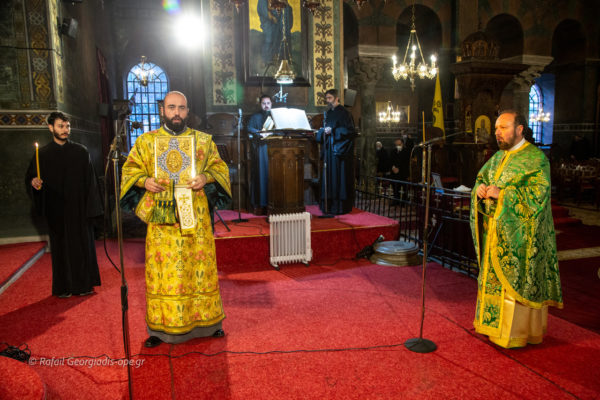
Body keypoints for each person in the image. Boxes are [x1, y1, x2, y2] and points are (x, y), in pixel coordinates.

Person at [120, 91, 232, 348]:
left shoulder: (203, 141)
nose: (177, 113)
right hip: (163, 223)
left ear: (187, 110)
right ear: (163, 110)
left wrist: (205, 177)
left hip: (196, 219)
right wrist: (144, 181)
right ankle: (159, 329)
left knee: (199, 271)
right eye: (172, 107)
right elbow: (130, 169)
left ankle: (208, 324)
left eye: (182, 108)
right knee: (164, 274)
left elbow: (220, 168)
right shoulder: (146, 142)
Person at [470, 110, 563, 348]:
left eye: (503, 128)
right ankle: (490, 326)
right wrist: (479, 190)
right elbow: (481, 179)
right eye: (496, 128)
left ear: (519, 129)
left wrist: (503, 194)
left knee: (515, 283)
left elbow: (538, 195)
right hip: (494, 234)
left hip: (521, 237)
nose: (497, 133)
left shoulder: (536, 158)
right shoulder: (498, 157)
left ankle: (515, 334)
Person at [26, 112, 102, 298]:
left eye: (67, 126)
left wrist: (91, 210)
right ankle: (63, 287)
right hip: (56, 210)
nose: (65, 130)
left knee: (81, 247)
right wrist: (34, 183)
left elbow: (91, 182)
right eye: (61, 126)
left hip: (79, 210)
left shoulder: (81, 152)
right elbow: (32, 178)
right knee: (60, 250)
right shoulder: (42, 154)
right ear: (51, 128)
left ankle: (83, 286)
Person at [315, 89, 356, 215]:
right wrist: (323, 131)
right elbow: (324, 131)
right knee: (328, 178)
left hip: (339, 153)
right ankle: (328, 206)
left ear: (337, 98)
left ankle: (339, 207)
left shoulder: (345, 113)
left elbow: (350, 132)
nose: (328, 101)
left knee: (339, 179)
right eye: (327, 98)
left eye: (330, 98)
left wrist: (333, 130)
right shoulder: (328, 113)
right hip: (329, 152)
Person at [247, 94, 272, 215]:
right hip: (261, 148)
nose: (266, 106)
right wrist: (259, 133)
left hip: (275, 147)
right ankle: (261, 204)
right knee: (262, 174)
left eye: (268, 103)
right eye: (264, 103)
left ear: (271, 104)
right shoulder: (255, 116)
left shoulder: (275, 116)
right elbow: (249, 128)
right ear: (260, 104)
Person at [257, 0, 293, 68]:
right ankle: (266, 59)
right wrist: (271, 16)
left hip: (278, 20)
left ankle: (280, 59)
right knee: (269, 38)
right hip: (268, 21)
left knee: (281, 36)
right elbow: (262, 8)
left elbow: (285, 6)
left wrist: (284, 6)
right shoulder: (262, 1)